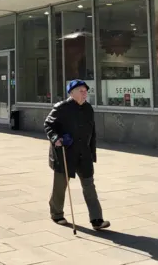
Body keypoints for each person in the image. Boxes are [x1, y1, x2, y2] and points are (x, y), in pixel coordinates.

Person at [44, 79, 110, 231]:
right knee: (60, 186)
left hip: (84, 153)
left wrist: (92, 152)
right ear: (71, 93)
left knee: (89, 186)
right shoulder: (61, 108)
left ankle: (97, 219)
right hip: (65, 154)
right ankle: (56, 213)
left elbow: (92, 132)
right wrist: (56, 139)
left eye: (86, 91)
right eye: (81, 91)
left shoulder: (88, 109)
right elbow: (48, 124)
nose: (84, 93)